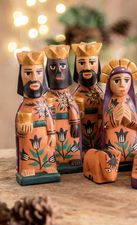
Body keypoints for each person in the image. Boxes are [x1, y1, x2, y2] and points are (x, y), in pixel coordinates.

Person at [15, 51, 60, 185]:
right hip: (29, 136)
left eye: (39, 72)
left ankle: (48, 166)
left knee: (48, 149)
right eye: (28, 73)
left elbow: (49, 118)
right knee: (28, 149)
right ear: (21, 76)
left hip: (45, 135)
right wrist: (21, 127)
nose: (34, 78)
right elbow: (19, 123)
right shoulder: (23, 106)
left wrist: (52, 133)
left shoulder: (44, 104)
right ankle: (28, 167)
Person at [44, 45, 82, 173]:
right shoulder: (47, 97)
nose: (58, 71)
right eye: (53, 67)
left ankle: (74, 157)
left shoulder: (68, 96)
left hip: (69, 127)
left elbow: (74, 108)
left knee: (72, 141)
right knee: (53, 144)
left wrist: (75, 123)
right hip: (54, 128)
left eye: (63, 66)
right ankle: (53, 158)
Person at [100, 58, 137, 169]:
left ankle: (131, 157)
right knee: (112, 151)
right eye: (117, 81)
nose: (122, 84)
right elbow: (105, 124)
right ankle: (114, 159)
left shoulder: (129, 101)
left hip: (130, 137)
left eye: (126, 80)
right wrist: (114, 119)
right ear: (109, 83)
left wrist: (130, 121)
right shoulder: (111, 102)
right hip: (113, 137)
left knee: (133, 152)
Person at [72, 42, 104, 152]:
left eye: (91, 62)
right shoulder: (75, 94)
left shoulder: (100, 92)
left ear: (98, 65)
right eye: (81, 63)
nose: (87, 67)